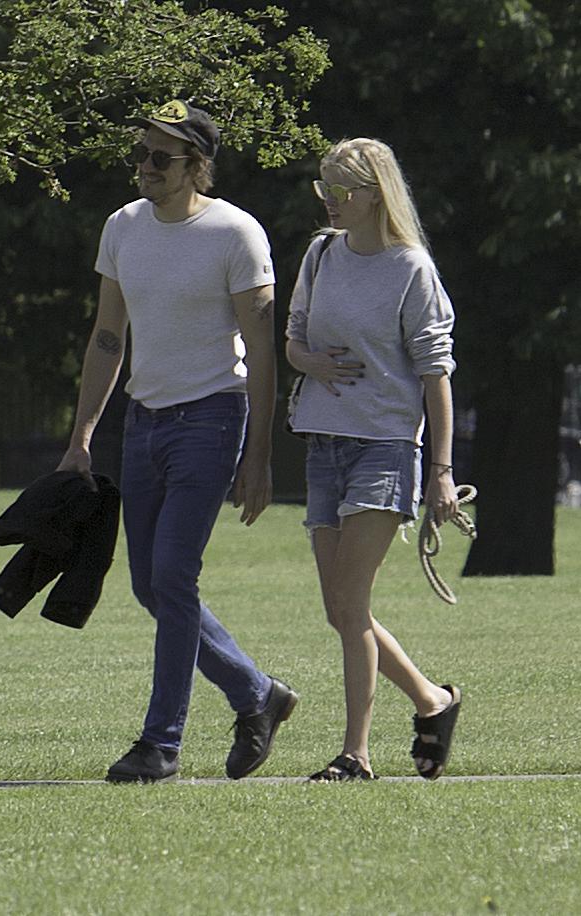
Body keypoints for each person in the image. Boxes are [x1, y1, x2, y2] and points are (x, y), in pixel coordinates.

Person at [58, 99, 297, 783]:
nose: (144, 167)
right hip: (144, 421)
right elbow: (109, 336)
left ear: (198, 164)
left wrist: (258, 461)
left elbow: (262, 352)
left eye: (159, 157)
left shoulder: (236, 235)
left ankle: (160, 743)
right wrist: (82, 436)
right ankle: (258, 693)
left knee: (172, 577)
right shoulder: (122, 228)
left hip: (212, 419)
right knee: (148, 584)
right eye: (139, 154)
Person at [285, 137, 461, 782]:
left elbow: (436, 372)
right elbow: (294, 339)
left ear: (374, 195)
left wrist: (440, 471)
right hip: (323, 443)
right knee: (339, 608)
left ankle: (355, 754)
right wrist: (308, 362)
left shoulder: (410, 267)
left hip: (384, 447)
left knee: (351, 604)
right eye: (323, 188)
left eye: (341, 190)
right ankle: (432, 701)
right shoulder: (321, 253)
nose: (329, 200)